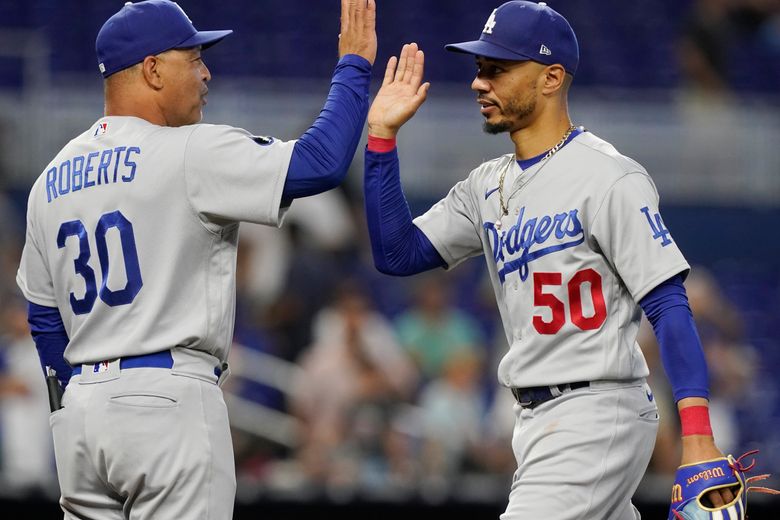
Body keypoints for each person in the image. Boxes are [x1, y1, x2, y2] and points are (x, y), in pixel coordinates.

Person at [362, 1, 734, 518]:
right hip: (536, 421)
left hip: (597, 409)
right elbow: (396, 254)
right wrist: (381, 137)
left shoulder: (609, 177)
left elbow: (669, 303)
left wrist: (697, 437)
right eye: (478, 68)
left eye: (498, 68)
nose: (479, 82)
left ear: (551, 78)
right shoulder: (485, 185)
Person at [15, 0, 376, 517]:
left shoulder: (50, 179)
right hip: (168, 402)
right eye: (193, 57)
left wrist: (68, 403)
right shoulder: (188, 151)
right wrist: (353, 67)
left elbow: (43, 315)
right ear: (152, 69)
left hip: (82, 416)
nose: (207, 72)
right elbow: (321, 163)